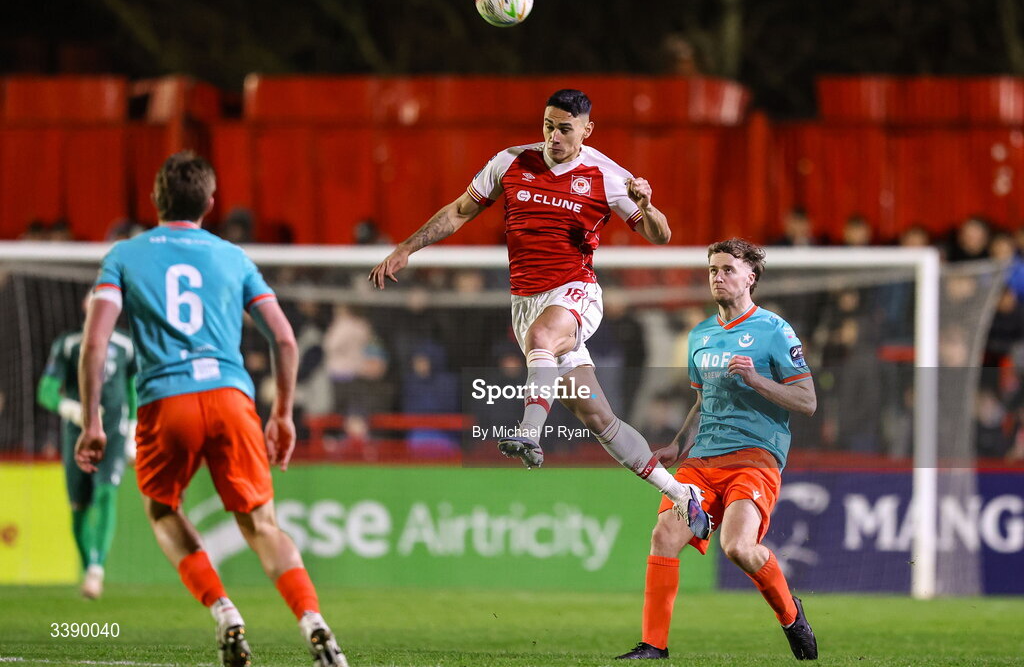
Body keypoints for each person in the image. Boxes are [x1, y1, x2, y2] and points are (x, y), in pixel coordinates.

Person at [369, 88, 709, 533]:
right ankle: (682, 493)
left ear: (587, 130)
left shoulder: (606, 175)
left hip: (576, 293)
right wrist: (406, 249)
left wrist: (646, 203)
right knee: (599, 418)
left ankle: (529, 431)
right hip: (525, 305)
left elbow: (659, 235)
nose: (554, 136)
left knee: (543, 339)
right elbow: (457, 212)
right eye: (548, 125)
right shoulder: (510, 161)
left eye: (565, 129)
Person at [74, 151, 347, 667]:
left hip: (164, 402)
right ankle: (314, 621)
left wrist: (92, 422)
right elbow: (285, 340)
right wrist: (283, 413)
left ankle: (224, 611)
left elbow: (95, 342)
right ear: (211, 202)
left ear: (156, 200)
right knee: (262, 525)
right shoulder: (232, 257)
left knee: (162, 509)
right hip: (230, 399)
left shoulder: (124, 256)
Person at [617, 239, 818, 661]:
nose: (719, 277)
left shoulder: (775, 331)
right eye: (713, 270)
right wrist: (677, 445)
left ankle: (790, 616)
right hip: (703, 458)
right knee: (664, 535)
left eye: (728, 269)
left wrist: (759, 381)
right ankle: (653, 645)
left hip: (755, 455)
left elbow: (807, 401)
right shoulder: (701, 335)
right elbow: (701, 401)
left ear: (751, 277)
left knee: (738, 548)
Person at [36, 302, 137, 599]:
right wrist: (70, 409)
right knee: (79, 507)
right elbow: (45, 390)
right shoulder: (67, 345)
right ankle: (89, 566)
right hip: (77, 435)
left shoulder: (126, 346)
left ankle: (96, 570)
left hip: (114, 434)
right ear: (85, 306)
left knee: (106, 493)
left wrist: (131, 433)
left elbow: (132, 388)